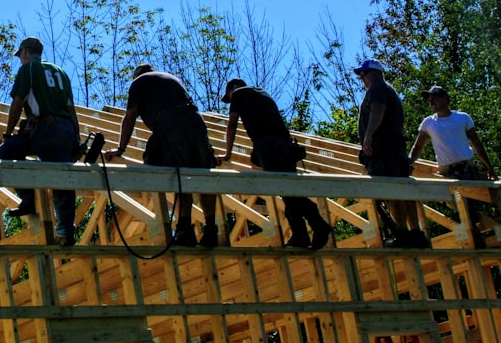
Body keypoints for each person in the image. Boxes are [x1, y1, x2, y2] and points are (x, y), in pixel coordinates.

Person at [104, 64, 219, 247]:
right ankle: (212, 229)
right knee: (203, 174)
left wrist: (121, 148)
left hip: (172, 125)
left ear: (136, 75)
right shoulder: (171, 78)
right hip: (197, 123)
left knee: (181, 175)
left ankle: (185, 230)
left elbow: (130, 116)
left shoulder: (138, 83)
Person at [217, 78, 332, 250]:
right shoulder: (262, 93)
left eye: (229, 96)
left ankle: (318, 223)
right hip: (285, 146)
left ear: (234, 87)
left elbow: (232, 124)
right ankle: (300, 234)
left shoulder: (239, 94)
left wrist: (227, 154)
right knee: (287, 189)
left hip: (267, 145)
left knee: (285, 189)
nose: (230, 100)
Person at [0, 37, 80, 247]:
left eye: (19, 56)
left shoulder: (28, 70)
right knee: (62, 176)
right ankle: (66, 231)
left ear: (24, 52)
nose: (20, 60)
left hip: (46, 130)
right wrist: (76, 139)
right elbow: (71, 109)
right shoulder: (60, 72)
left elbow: (16, 104)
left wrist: (8, 132)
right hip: (65, 130)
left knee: (5, 152)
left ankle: (28, 198)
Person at [409, 85, 497, 247]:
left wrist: (490, 167)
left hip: (467, 168)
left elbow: (476, 144)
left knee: (473, 205)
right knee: (461, 207)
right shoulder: (429, 123)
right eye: (429, 100)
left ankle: (480, 237)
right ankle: (473, 240)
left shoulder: (462, 118)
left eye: (434, 98)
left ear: (446, 99)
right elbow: (418, 147)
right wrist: (408, 164)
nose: (431, 102)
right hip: (449, 173)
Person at [354, 59, 427, 248]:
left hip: (385, 150)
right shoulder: (387, 89)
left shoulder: (377, 88)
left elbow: (378, 109)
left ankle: (403, 234)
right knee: (403, 189)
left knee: (392, 189)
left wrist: (368, 136)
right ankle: (416, 233)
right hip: (394, 149)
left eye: (365, 73)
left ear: (376, 72)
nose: (362, 78)